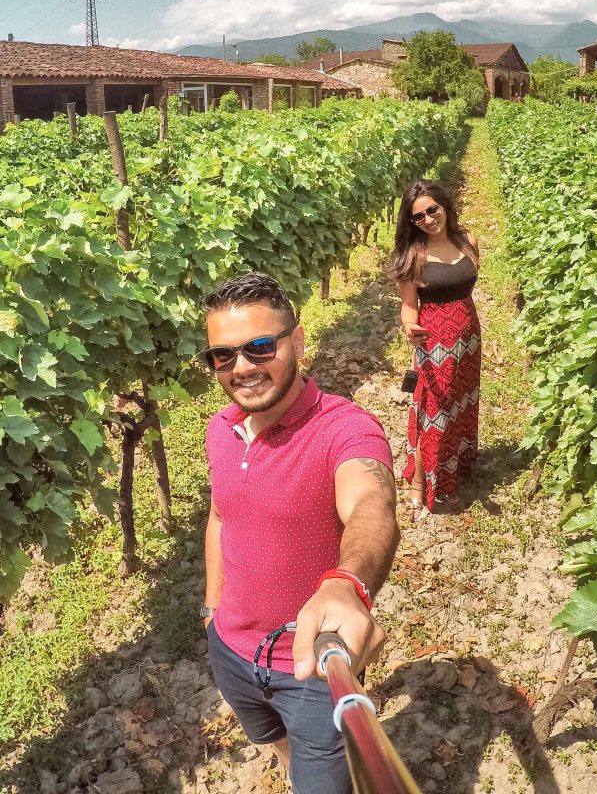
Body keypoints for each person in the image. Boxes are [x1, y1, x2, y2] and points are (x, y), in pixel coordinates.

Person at [199, 272, 400, 792]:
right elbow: (220, 517)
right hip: (230, 650)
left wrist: (346, 582)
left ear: (299, 341)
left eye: (260, 348)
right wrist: (211, 609)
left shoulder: (343, 429)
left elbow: (372, 504)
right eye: (222, 356)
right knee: (275, 744)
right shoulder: (220, 429)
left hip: (311, 669)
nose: (242, 368)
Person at [390, 180, 482, 521]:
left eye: (433, 210)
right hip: (434, 342)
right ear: (411, 223)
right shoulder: (413, 256)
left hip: (469, 336)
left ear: (445, 206)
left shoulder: (468, 240)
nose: (428, 219)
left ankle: (455, 465)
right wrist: (408, 325)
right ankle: (420, 481)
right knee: (433, 408)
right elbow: (408, 305)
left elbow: (466, 286)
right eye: (418, 217)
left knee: (463, 400)